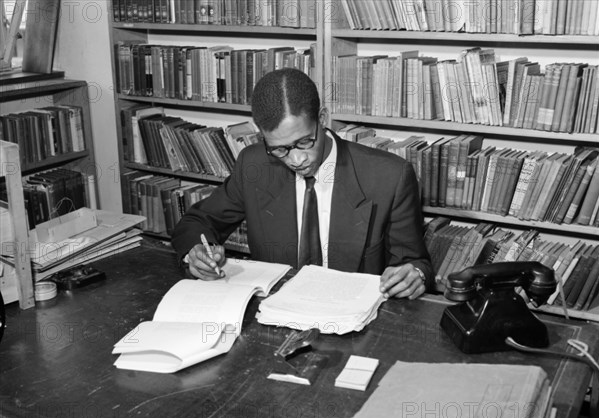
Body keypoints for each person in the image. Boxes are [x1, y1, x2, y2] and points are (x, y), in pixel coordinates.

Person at [171, 68, 433, 299]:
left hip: (353, 321)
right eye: (280, 149)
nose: (296, 159)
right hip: (275, 314)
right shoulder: (255, 166)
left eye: (305, 142)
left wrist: (414, 277)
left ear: (322, 118)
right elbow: (196, 223)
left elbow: (414, 262)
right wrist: (195, 253)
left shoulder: (389, 176)